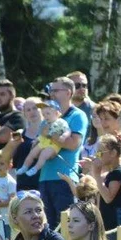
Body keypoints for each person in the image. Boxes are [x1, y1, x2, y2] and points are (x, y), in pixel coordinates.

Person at [37, 78, 87, 229]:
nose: (51, 94)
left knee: (65, 226)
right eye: (50, 90)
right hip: (45, 177)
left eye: (55, 91)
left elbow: (73, 144)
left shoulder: (77, 115)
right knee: (48, 227)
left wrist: (50, 135)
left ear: (68, 93)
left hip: (65, 180)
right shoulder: (47, 116)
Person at [15, 100, 70, 178]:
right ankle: (25, 166)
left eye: (48, 114)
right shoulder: (45, 123)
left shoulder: (61, 122)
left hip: (53, 145)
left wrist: (64, 136)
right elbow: (41, 135)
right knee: (32, 153)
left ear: (57, 113)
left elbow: (68, 130)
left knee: (43, 155)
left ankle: (35, 168)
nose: (46, 116)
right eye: (44, 114)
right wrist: (36, 140)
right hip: (43, 141)